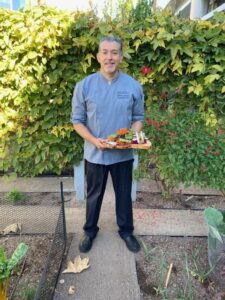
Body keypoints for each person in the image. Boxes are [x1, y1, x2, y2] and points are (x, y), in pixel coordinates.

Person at [71, 36, 144, 253]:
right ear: (98, 56)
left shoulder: (133, 85)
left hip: (123, 154)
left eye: (114, 52)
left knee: (124, 195)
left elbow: (138, 117)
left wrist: (131, 136)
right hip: (95, 154)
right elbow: (77, 121)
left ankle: (127, 231)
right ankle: (90, 231)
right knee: (94, 195)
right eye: (105, 52)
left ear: (121, 56)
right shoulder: (84, 86)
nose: (109, 57)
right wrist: (95, 141)